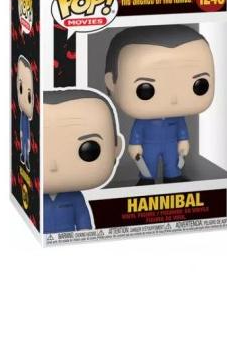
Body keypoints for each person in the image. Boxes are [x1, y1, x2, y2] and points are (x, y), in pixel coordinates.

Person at [105, 25, 215, 185]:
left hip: (171, 143)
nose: (174, 99)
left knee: (172, 164)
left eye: (199, 85)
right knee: (148, 166)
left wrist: (183, 140)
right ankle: (147, 181)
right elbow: (137, 131)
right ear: (111, 83)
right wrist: (135, 145)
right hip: (149, 145)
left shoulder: (177, 117)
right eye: (145, 89)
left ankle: (173, 178)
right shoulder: (144, 120)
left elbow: (181, 128)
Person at [43, 89, 123, 234]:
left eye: (89, 150)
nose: (53, 166)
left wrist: (85, 233)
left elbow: (82, 217)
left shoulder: (75, 196)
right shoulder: (35, 199)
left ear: (116, 148)